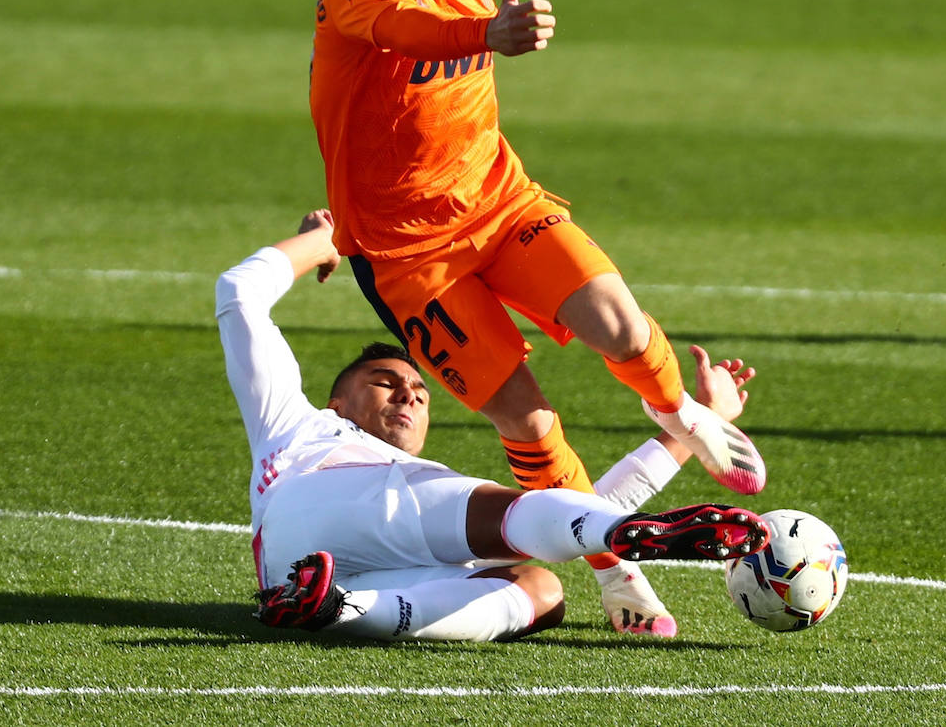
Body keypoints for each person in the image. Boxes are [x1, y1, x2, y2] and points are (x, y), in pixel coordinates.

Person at [306, 0, 767, 634]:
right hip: (409, 256)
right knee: (528, 422)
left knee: (621, 324)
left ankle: (681, 415)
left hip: (499, 198)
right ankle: (616, 573)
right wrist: (488, 34)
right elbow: (411, 30)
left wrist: (495, 18)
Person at [216, 212, 770, 641]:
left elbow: (573, 503)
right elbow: (238, 293)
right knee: (520, 516)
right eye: (385, 381)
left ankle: (337, 610)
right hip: (319, 499)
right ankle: (621, 537)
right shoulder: (297, 424)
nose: (409, 391)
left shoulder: (419, 477)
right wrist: (324, 242)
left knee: (541, 588)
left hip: (309, 576)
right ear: (337, 403)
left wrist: (695, 431)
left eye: (421, 390)